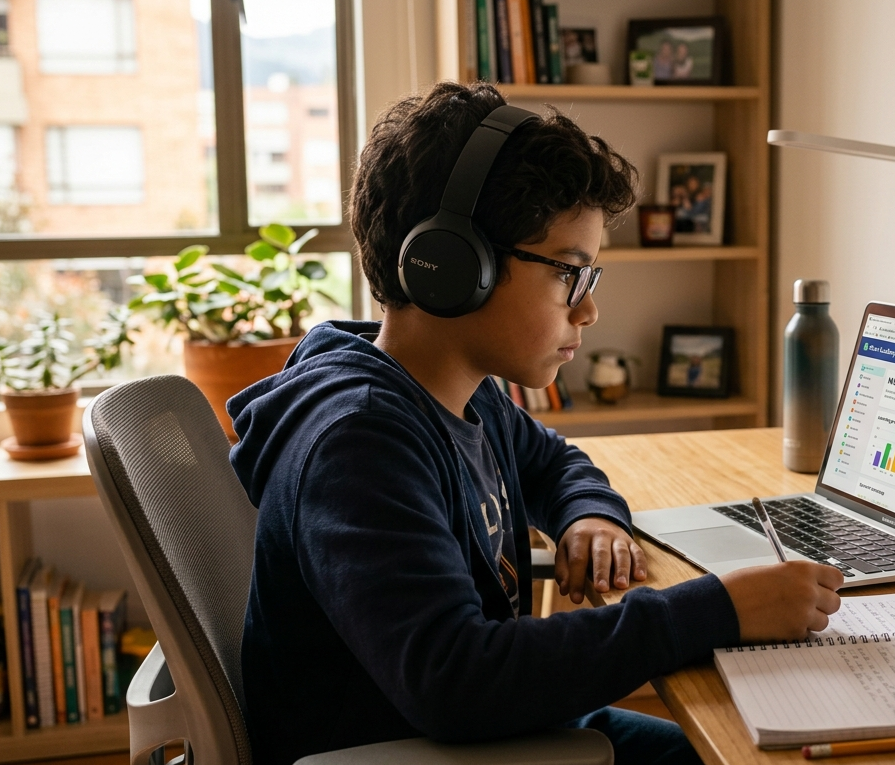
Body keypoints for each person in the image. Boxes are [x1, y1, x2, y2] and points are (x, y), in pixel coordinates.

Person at [228, 80, 844, 765]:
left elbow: (552, 461)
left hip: (475, 731)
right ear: (451, 266)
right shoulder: (359, 443)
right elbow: (456, 680)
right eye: (567, 273)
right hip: (411, 748)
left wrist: (589, 515)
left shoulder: (462, 394)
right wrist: (715, 611)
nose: (588, 310)